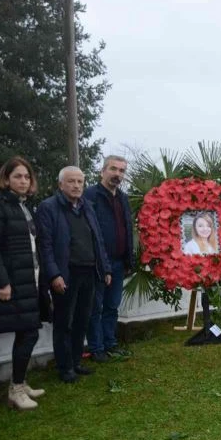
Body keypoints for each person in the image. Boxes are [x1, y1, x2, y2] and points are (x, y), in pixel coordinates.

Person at [0, 157, 47, 410]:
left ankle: (20, 382)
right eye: (18, 176)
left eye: (27, 177)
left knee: (28, 331)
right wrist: (2, 282)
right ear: (6, 179)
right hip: (12, 282)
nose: (23, 181)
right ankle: (16, 389)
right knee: (29, 332)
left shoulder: (21, 205)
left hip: (28, 280)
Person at [36, 166, 111, 383]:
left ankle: (76, 362)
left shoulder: (87, 206)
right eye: (71, 181)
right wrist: (54, 275)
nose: (76, 186)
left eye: (80, 181)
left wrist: (105, 268)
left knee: (82, 320)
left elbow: (98, 239)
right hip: (66, 274)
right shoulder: (48, 207)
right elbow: (45, 246)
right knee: (64, 322)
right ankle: (65, 367)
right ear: (61, 184)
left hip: (89, 271)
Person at [84, 155, 134, 362]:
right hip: (97, 263)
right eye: (113, 169)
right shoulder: (90, 196)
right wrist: (101, 263)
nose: (117, 174)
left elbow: (127, 229)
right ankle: (96, 348)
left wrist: (129, 259)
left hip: (118, 262)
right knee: (95, 308)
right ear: (102, 171)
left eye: (121, 171)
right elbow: (90, 232)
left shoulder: (122, 198)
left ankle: (110, 343)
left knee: (112, 306)